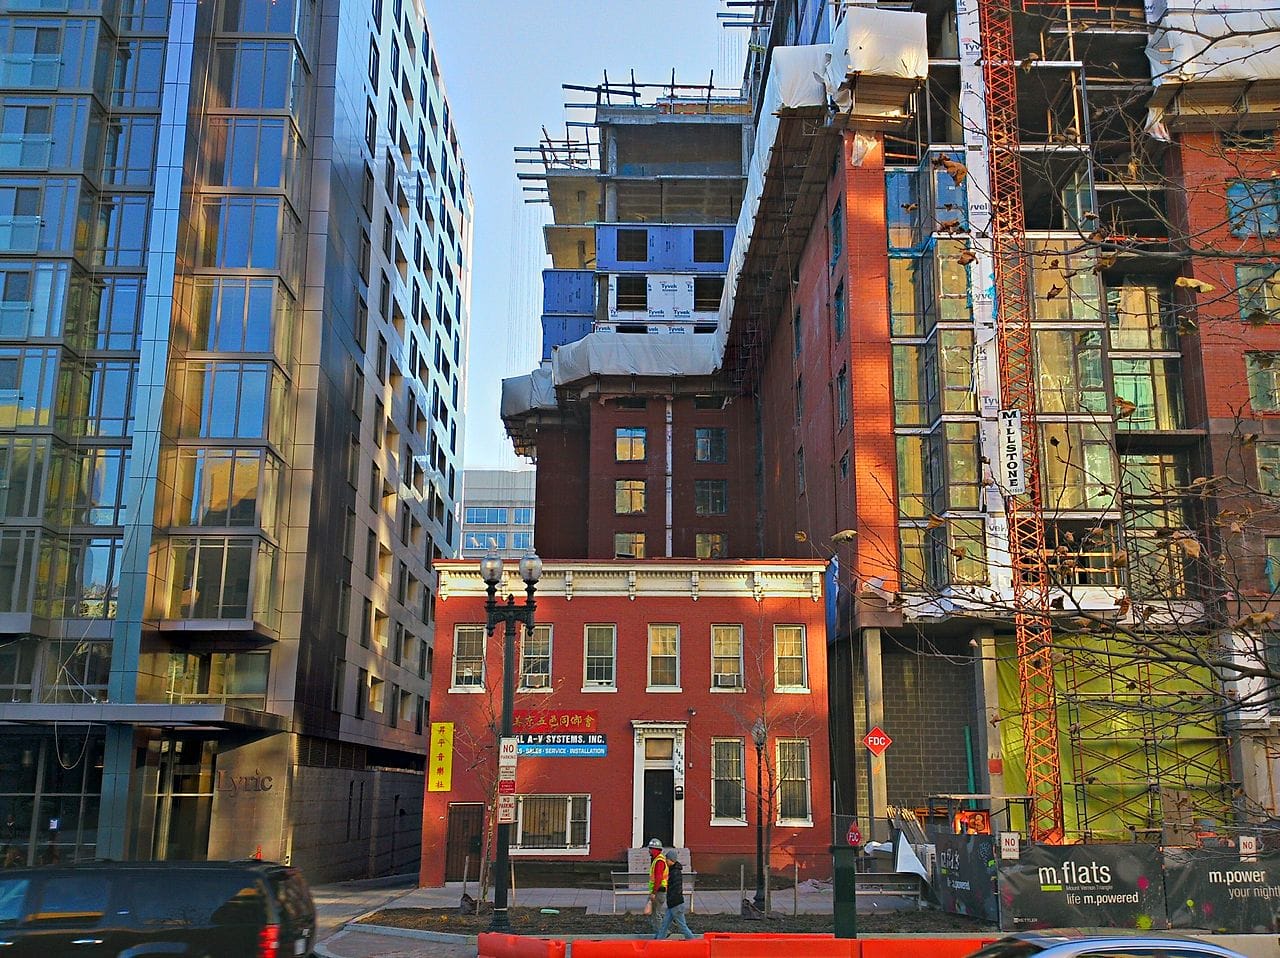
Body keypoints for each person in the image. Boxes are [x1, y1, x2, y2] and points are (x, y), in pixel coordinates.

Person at [655, 848, 695, 940]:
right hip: (673, 904)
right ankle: (658, 942)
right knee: (664, 924)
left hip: (675, 904)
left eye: (667, 859)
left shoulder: (675, 872)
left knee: (682, 926)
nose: (665, 861)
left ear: (671, 860)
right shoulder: (673, 871)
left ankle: (693, 941)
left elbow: (675, 889)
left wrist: (670, 897)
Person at [644, 838, 667, 934]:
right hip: (658, 891)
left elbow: (658, 878)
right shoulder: (658, 860)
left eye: (650, 849)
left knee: (655, 913)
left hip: (658, 891)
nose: (649, 851)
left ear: (654, 850)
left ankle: (662, 933)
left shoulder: (659, 861)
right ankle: (660, 932)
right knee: (654, 913)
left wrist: (653, 892)